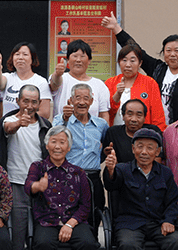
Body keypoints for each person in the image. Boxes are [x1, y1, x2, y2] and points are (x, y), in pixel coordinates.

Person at [101, 129, 178, 250]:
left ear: (157, 152)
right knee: (128, 245)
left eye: (150, 148)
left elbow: (172, 201)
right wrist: (110, 169)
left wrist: (169, 220)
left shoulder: (165, 173)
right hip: (130, 224)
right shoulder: (122, 169)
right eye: (140, 147)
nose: (144, 152)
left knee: (177, 244)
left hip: (158, 223)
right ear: (133, 149)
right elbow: (111, 183)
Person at [27, 125, 95, 250]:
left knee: (88, 244)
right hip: (46, 220)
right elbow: (28, 186)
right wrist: (37, 186)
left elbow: (85, 206)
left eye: (62, 142)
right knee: (43, 244)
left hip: (73, 221)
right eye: (53, 141)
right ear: (47, 145)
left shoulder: (78, 173)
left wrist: (70, 225)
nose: (57, 146)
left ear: (68, 147)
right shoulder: (38, 167)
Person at [102, 13, 178, 125]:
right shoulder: (158, 69)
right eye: (168, 50)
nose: (172, 54)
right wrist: (116, 28)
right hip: (157, 128)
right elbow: (136, 50)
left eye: (177, 50)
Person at [0, 84, 51, 250]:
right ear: (18, 101)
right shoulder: (9, 120)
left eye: (34, 101)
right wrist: (20, 123)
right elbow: (8, 129)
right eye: (25, 101)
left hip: (39, 187)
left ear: (39, 103)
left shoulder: (45, 125)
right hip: (15, 184)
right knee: (17, 235)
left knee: (39, 234)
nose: (29, 105)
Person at [55, 83, 109, 212]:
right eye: (78, 98)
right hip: (67, 176)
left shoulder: (101, 124)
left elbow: (106, 146)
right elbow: (53, 139)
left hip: (93, 177)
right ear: (71, 100)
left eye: (86, 98)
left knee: (95, 215)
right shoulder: (61, 121)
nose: (82, 102)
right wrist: (65, 118)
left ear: (91, 101)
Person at [49, 40, 111, 124]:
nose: (78, 60)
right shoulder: (62, 78)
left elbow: (104, 114)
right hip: (63, 133)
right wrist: (57, 74)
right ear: (67, 59)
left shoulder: (99, 85)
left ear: (89, 60)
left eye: (82, 56)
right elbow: (54, 85)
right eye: (74, 56)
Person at [105, 44, 166, 128]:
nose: (128, 65)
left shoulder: (150, 83)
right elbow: (105, 113)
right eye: (124, 60)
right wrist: (117, 95)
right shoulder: (110, 83)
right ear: (119, 62)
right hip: (116, 134)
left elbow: (157, 115)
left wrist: (158, 135)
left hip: (142, 135)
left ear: (140, 63)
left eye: (132, 61)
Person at [0, 42, 54, 121]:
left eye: (25, 54)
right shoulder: (7, 77)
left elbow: (45, 113)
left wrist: (19, 121)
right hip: (8, 128)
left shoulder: (41, 82)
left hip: (31, 129)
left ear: (32, 59)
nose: (20, 58)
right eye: (17, 54)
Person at [101, 98, 163, 165]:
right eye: (130, 114)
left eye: (139, 115)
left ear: (144, 117)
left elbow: (158, 160)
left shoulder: (153, 132)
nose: (134, 119)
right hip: (121, 173)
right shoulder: (113, 132)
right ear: (123, 116)